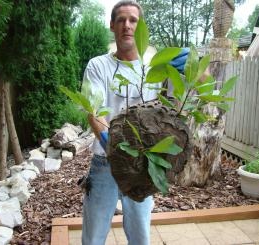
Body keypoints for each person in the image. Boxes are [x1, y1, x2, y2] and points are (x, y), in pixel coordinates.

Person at [81, 1, 189, 244]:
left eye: (133, 21)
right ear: (112, 25)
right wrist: (114, 144)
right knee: (93, 236)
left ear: (141, 29)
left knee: (140, 236)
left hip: (143, 165)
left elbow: (182, 103)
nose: (127, 26)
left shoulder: (156, 69)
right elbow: (94, 112)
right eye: (121, 20)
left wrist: (195, 66)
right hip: (105, 162)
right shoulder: (99, 66)